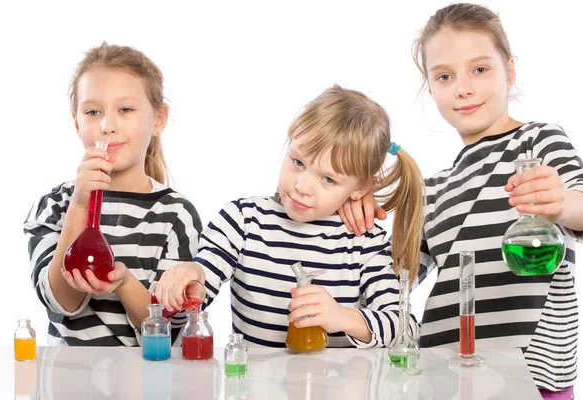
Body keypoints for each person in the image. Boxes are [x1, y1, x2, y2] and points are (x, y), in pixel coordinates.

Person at [340, 4, 583, 398]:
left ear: (509, 70)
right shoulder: (431, 189)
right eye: (445, 76)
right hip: (444, 378)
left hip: (531, 380)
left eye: (480, 69)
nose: (463, 88)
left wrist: (560, 203)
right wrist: (353, 212)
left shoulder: (538, 142)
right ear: (430, 86)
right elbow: (392, 285)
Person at [155, 85, 424, 347]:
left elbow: (405, 326)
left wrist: (341, 317)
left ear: (360, 188)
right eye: (298, 162)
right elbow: (203, 280)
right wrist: (192, 277)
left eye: (328, 179)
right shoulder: (242, 220)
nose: (302, 186)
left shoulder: (365, 242)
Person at [23, 42, 202, 346]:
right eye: (93, 111)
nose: (107, 125)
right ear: (77, 121)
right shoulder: (53, 206)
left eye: (125, 110)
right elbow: (60, 301)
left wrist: (124, 282)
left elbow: (168, 330)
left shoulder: (175, 214)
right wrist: (80, 203)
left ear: (158, 119)